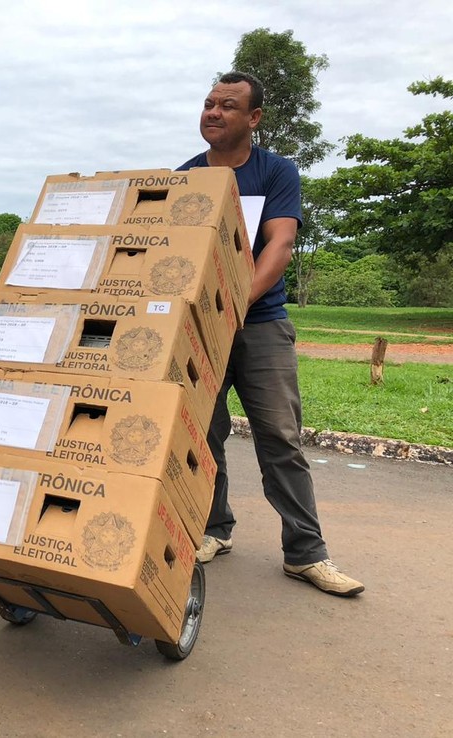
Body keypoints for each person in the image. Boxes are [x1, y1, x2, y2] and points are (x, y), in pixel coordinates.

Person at [177, 71, 363, 597]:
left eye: (228, 106)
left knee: (280, 439)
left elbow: (278, 247)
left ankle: (306, 553)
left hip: (259, 327)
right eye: (209, 103)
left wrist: (236, 304)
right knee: (201, 435)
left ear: (254, 118)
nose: (213, 112)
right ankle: (213, 530)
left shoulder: (276, 171)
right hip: (198, 332)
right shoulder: (186, 177)